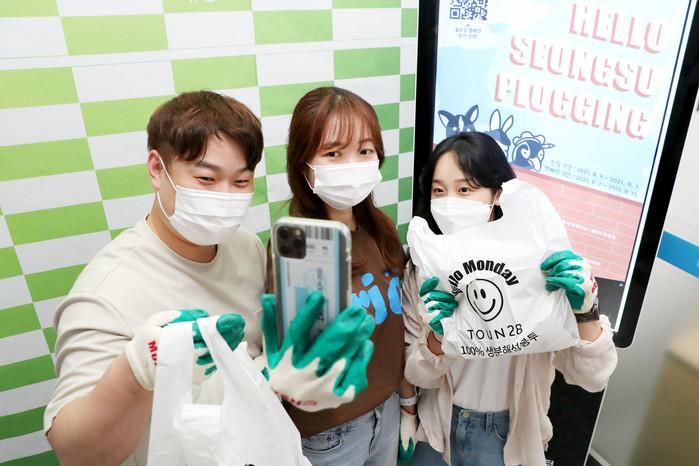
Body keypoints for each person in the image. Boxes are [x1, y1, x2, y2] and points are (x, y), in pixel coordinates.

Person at [44, 91, 268, 466]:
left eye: (241, 181)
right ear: (156, 169)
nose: (225, 197)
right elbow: (76, 453)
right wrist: (139, 369)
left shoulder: (246, 246)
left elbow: (252, 354)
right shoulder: (106, 292)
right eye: (206, 178)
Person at [402, 132, 618, 466]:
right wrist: (438, 338)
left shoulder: (537, 266)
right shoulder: (424, 269)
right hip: (438, 428)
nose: (450, 202)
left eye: (465, 189)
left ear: (498, 194)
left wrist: (585, 312)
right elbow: (418, 375)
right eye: (439, 191)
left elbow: (592, 378)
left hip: (509, 437)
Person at [261, 86, 417, 465]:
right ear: (304, 165)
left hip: (387, 410)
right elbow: (298, 358)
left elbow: (396, 330)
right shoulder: (296, 248)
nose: (352, 163)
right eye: (333, 153)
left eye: (364, 151)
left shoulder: (381, 229)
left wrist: (407, 402)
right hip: (329, 432)